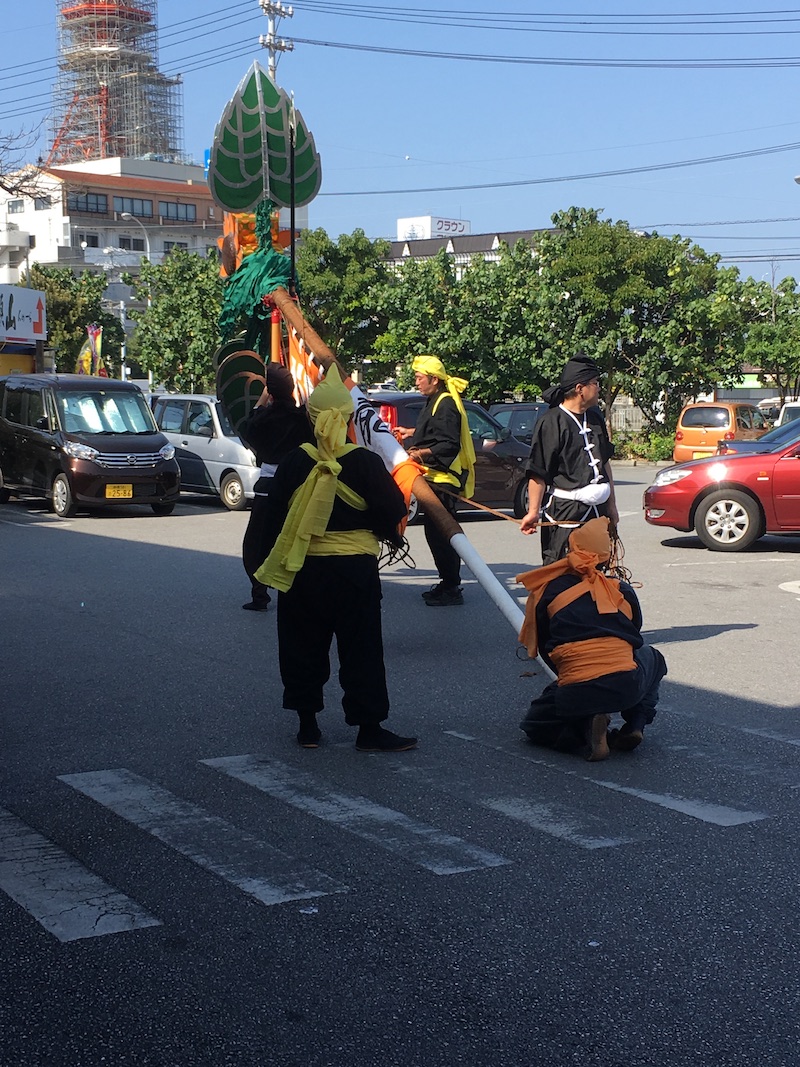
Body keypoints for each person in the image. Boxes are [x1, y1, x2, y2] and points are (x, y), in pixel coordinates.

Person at [256, 365, 417, 753]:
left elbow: (272, 518)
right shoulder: (365, 462)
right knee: (361, 649)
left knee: (301, 646)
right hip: (354, 573)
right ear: (347, 419)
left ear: (311, 418)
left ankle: (307, 727)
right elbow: (392, 510)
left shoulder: (295, 462)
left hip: (302, 568)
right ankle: (368, 729)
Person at [517, 517, 667, 761]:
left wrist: (568, 680)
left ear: (571, 550)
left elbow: (545, 647)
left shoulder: (548, 590)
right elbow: (634, 638)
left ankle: (584, 729)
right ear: (606, 557)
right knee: (653, 657)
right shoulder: (620, 588)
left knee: (535, 724)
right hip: (626, 684)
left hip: (576, 685)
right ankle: (635, 725)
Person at [520, 354, 618, 566]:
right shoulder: (551, 422)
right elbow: (538, 472)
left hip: (598, 512)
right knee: (562, 572)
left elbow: (604, 463)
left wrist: (612, 506)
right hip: (566, 511)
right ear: (580, 388)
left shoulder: (595, 417)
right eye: (595, 383)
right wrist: (533, 512)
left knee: (597, 571)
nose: (599, 388)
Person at [394, 355, 476, 607]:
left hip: (444, 480)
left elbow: (448, 444)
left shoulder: (446, 404)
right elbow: (433, 433)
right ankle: (447, 581)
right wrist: (410, 433)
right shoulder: (435, 400)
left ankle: (452, 587)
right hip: (432, 477)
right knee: (434, 533)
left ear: (434, 379)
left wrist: (418, 453)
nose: (417, 382)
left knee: (443, 535)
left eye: (420, 378)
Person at [239, 363, 313, 611]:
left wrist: (263, 399)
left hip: (269, 487)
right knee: (294, 539)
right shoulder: (303, 418)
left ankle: (260, 594)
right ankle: (296, 591)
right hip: (297, 486)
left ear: (270, 391)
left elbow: (248, 427)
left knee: (258, 542)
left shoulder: (264, 419)